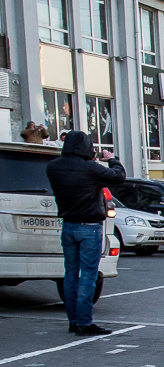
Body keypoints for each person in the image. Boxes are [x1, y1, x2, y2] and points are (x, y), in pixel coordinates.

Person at [45, 131, 125, 335]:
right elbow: (119, 177)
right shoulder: (90, 168)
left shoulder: (53, 167)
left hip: (68, 226)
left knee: (70, 274)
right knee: (88, 275)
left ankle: (73, 321)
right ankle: (84, 322)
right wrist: (112, 159)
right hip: (89, 226)